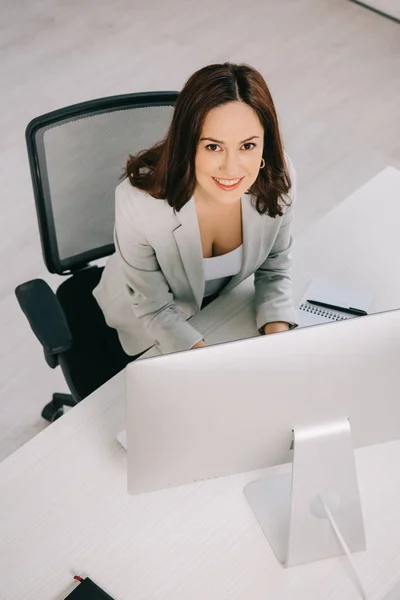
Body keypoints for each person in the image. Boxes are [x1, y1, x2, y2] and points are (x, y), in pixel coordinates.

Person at [92, 62, 298, 357]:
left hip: (222, 309)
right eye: (213, 147)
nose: (232, 167)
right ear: (188, 144)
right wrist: (206, 362)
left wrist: (279, 342)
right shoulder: (138, 203)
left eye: (248, 146)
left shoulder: (278, 177)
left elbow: (274, 269)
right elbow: (154, 308)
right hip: (144, 326)